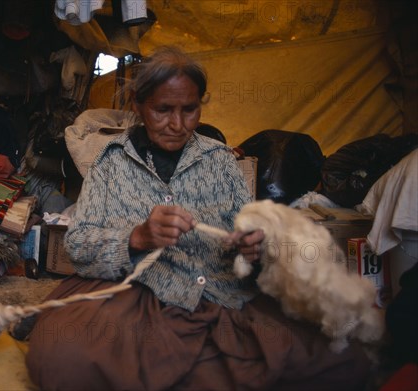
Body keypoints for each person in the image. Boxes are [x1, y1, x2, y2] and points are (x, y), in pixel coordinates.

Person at [25, 46, 371, 390]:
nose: (177, 125)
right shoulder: (111, 164)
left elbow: (250, 235)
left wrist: (253, 249)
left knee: (342, 360)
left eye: (189, 110)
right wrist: (137, 237)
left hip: (219, 296)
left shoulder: (220, 161)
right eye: (163, 110)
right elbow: (78, 245)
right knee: (63, 358)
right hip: (135, 297)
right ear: (139, 105)